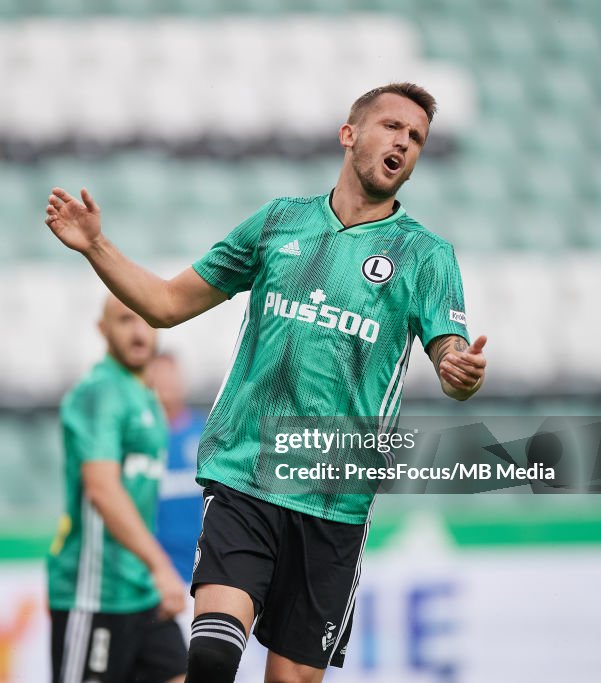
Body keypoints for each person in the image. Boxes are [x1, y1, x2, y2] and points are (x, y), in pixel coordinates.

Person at [45, 82, 488, 682]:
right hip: (246, 474)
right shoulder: (279, 223)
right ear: (349, 133)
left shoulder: (426, 256)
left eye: (416, 138)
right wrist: (96, 245)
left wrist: (458, 370)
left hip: (335, 497)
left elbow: (451, 359)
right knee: (209, 656)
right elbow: (168, 304)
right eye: (391, 127)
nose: (403, 143)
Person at [48, 295, 188, 683]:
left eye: (145, 318)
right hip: (96, 593)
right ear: (102, 329)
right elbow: (102, 490)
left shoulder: (144, 395)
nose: (138, 330)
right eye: (125, 319)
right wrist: (161, 566)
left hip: (140, 590)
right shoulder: (100, 391)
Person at [146, 354, 206, 588]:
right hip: (158, 577)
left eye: (171, 380)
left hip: (204, 571)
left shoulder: (206, 433)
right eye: (159, 380)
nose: (166, 387)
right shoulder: (139, 441)